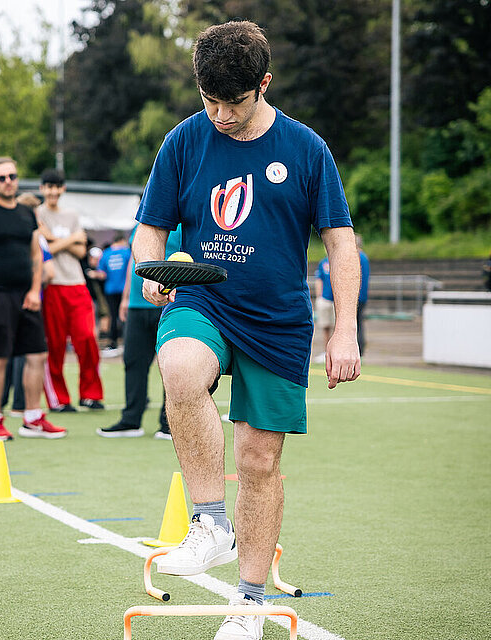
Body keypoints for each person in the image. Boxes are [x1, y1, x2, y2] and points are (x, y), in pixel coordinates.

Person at [132, 21, 361, 640]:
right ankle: (209, 522)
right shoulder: (183, 141)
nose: (219, 115)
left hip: (279, 322)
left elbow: (340, 243)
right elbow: (151, 228)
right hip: (203, 299)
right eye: (208, 100)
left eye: (231, 103)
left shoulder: (307, 149)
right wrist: (150, 269)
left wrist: (345, 330)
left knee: (259, 462)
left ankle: (249, 604)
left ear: (264, 83)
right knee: (179, 369)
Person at [0, 157, 66, 441]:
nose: (8, 182)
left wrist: (34, 290)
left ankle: (32, 417)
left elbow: (35, 255)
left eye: (12, 176)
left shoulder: (26, 214)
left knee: (37, 355)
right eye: (2, 178)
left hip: (25, 296)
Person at [97, 225, 182, 440]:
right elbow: (133, 264)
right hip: (137, 304)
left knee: (171, 365)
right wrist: (126, 297)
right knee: (133, 361)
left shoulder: (184, 222)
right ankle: (131, 420)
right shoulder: (142, 226)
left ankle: (168, 425)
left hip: (170, 304)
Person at [37, 169, 105, 412]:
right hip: (51, 286)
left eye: (57, 187)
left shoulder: (71, 215)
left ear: (63, 189)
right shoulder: (37, 213)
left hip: (76, 284)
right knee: (54, 344)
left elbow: (80, 252)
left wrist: (54, 239)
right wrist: (71, 239)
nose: (53, 191)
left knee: (87, 338)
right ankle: (59, 399)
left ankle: (90, 394)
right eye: (48, 187)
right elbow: (45, 249)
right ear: (42, 188)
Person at [0, 192, 56, 417]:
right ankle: (21, 404)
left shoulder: (7, 235)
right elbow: (49, 272)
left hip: (7, 298)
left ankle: (5, 403)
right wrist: (34, 284)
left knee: (7, 352)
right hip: (30, 301)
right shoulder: (35, 237)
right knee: (29, 353)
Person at [97, 233, 131, 354]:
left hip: (110, 289)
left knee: (112, 315)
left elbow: (101, 273)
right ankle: (126, 342)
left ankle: (113, 343)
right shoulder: (127, 252)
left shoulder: (106, 254)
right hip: (124, 290)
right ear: (122, 240)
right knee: (125, 317)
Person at [313, 255, 334, 363]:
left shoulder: (341, 260)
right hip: (325, 299)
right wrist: (319, 297)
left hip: (337, 301)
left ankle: (335, 353)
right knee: (325, 327)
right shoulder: (323, 262)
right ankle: (326, 352)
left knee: (337, 328)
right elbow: (319, 279)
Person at [355, 234, 370, 355]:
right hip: (363, 296)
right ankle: (360, 349)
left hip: (356, 296)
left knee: (355, 324)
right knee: (359, 323)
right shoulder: (364, 257)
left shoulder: (357, 256)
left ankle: (358, 349)